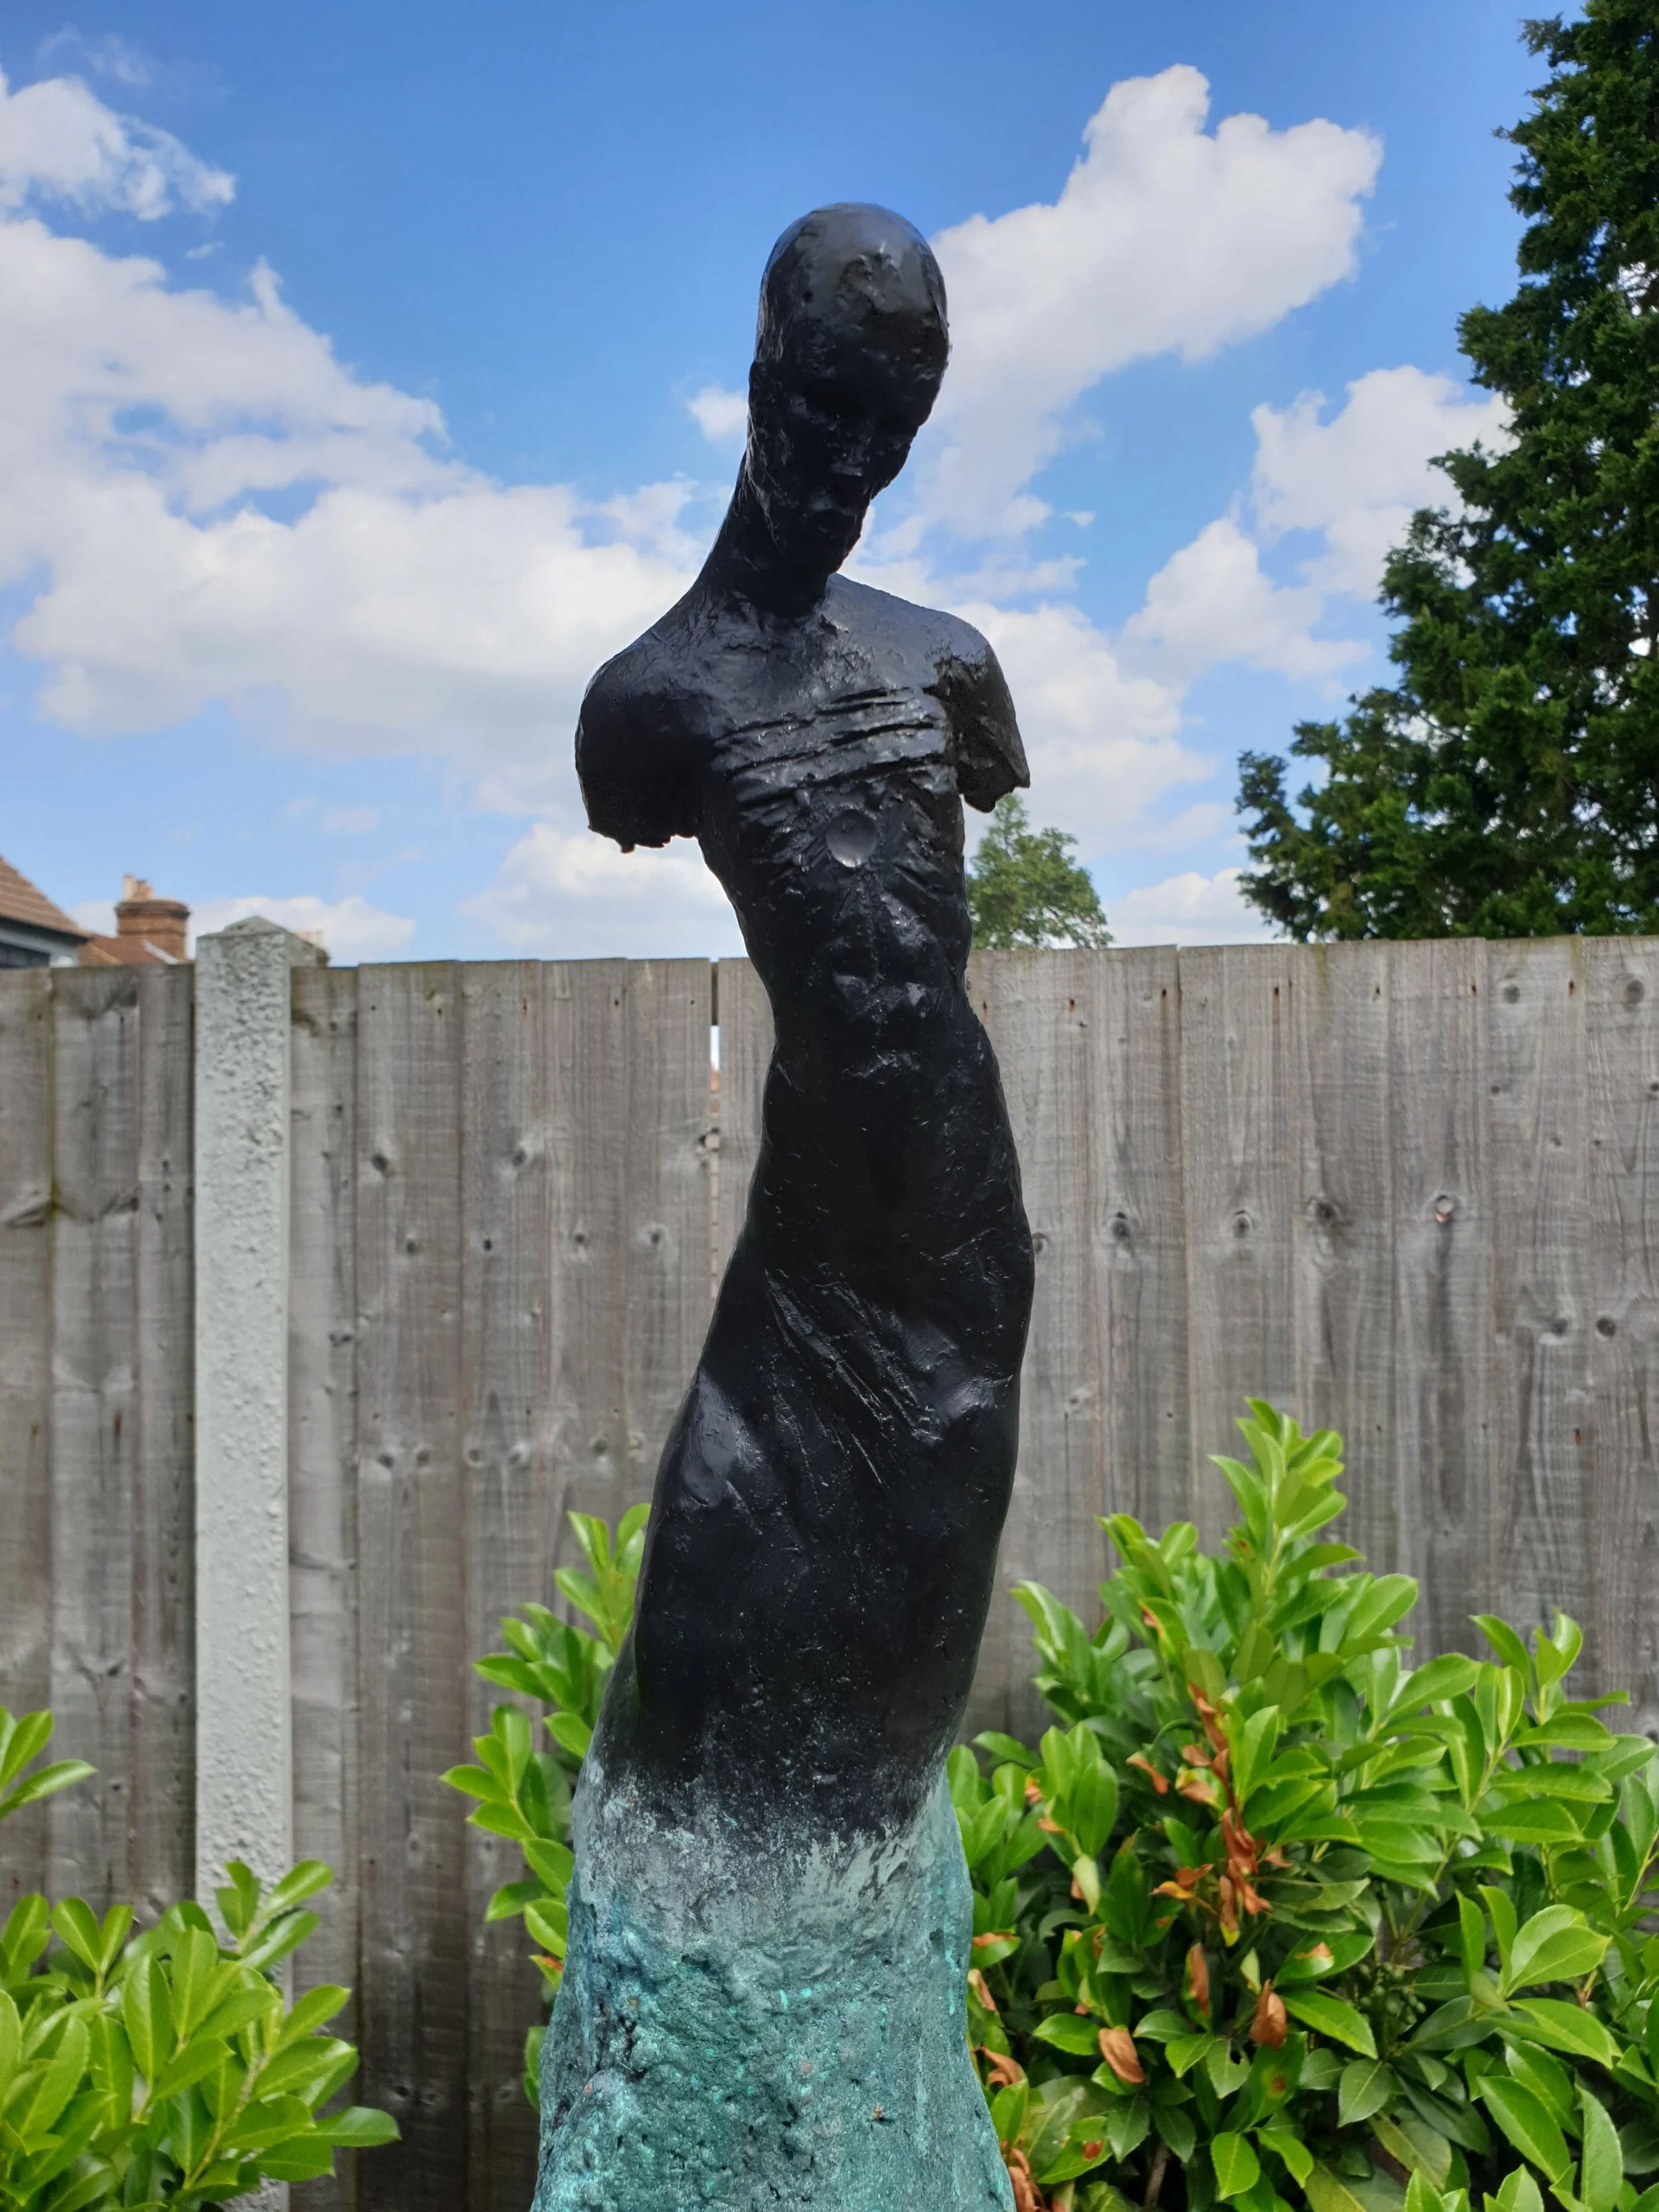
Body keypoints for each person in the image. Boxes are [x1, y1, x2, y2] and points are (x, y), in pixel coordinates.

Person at [536, 203, 1032, 2212]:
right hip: (802, 1264)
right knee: (697, 1699)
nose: (848, 455)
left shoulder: (948, 663)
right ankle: (666, 2116)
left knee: (870, 1774)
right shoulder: (647, 706)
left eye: (889, 421)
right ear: (756, 383)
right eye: (824, 403)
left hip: (960, 1276)